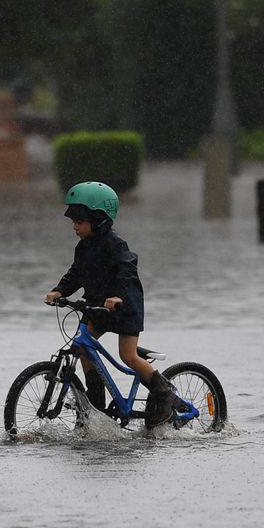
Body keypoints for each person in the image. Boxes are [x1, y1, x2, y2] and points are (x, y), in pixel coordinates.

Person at [43, 181, 179, 427]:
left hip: (124, 307)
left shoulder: (114, 244)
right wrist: (60, 289)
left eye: (79, 221)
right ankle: (97, 408)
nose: (74, 226)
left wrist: (118, 296)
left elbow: (127, 270)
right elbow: (76, 272)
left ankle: (165, 394)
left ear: (99, 220)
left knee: (127, 355)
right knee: (82, 348)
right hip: (97, 306)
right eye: (73, 221)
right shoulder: (83, 247)